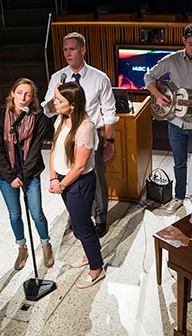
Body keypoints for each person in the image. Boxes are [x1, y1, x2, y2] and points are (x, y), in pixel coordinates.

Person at [42, 32, 118, 238]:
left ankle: (101, 218)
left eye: (72, 49)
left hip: (91, 136)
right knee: (69, 175)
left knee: (96, 178)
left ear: (83, 50)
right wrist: (54, 96)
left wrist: (109, 141)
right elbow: (48, 109)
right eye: (65, 49)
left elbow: (109, 112)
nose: (68, 53)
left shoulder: (99, 78)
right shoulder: (58, 77)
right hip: (66, 136)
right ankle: (78, 215)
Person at [144, 23, 192, 214]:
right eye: (190, 44)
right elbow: (149, 77)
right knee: (179, 162)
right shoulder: (172, 60)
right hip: (175, 122)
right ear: (183, 41)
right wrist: (158, 95)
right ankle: (179, 197)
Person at [0, 78, 54, 270]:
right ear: (12, 93)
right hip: (5, 175)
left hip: (30, 173)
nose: (23, 97)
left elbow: (35, 150)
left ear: (32, 97)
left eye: (27, 94)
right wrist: (11, 177)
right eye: (19, 92)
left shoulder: (39, 118)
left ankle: (45, 244)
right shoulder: (0, 115)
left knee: (36, 213)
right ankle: (22, 247)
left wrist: (23, 175)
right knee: (14, 215)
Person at [49, 82, 106, 289]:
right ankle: (90, 255)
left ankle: (96, 267)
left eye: (59, 100)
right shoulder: (61, 119)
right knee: (81, 224)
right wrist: (53, 177)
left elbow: (80, 165)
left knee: (82, 227)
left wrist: (62, 185)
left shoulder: (85, 127)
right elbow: (54, 148)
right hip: (64, 180)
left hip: (78, 183)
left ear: (72, 104)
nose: (55, 103)